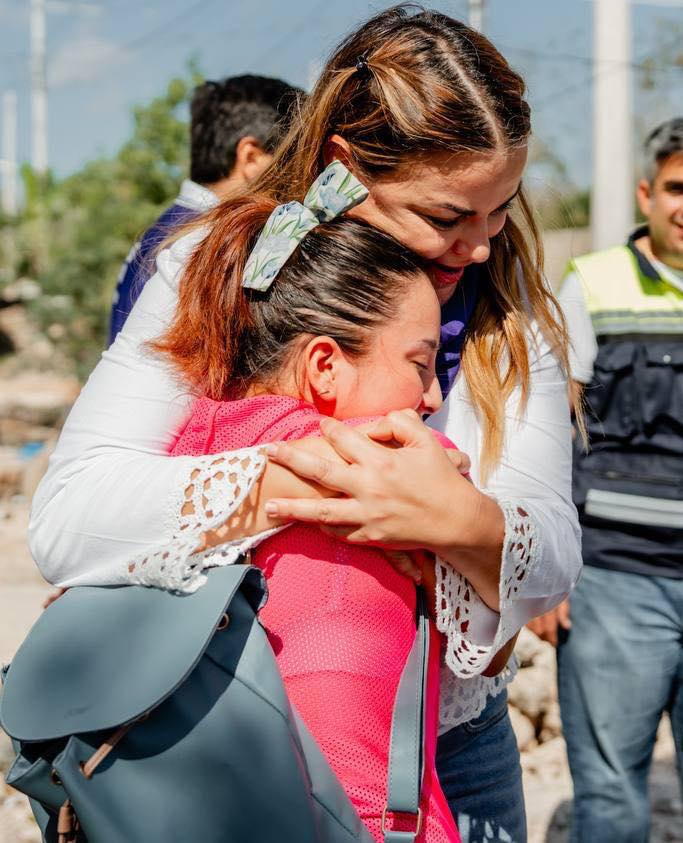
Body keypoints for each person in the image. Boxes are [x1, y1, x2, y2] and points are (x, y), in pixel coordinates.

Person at [28, 7, 582, 842]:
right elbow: (70, 517)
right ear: (343, 166)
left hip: (445, 761)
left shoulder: (513, 321)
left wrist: (456, 520)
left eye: (498, 210)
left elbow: (551, 553)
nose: (475, 247)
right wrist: (313, 478)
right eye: (442, 217)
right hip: (208, 740)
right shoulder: (205, 269)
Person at [159, 174, 461, 841]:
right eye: (419, 362)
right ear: (324, 366)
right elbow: (352, 762)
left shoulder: (187, 448)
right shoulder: (380, 479)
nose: (433, 395)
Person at [530, 117, 683, 843]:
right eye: (678, 188)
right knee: (612, 794)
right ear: (646, 193)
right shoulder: (592, 283)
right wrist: (545, 572)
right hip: (613, 581)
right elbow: (548, 430)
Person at [108, 74, 302, 344]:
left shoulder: (170, 228)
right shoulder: (207, 241)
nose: (301, 177)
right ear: (252, 158)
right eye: (294, 158)